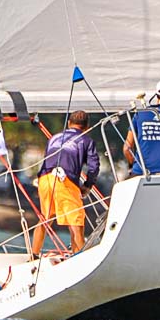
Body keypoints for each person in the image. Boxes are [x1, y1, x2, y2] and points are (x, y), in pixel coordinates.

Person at [32, 110, 100, 258]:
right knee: (76, 224)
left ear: (69, 123)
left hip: (45, 178)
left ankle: (33, 255)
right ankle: (79, 259)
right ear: (87, 127)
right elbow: (94, 167)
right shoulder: (86, 140)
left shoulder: (54, 137)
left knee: (45, 218)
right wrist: (87, 185)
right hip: (64, 180)